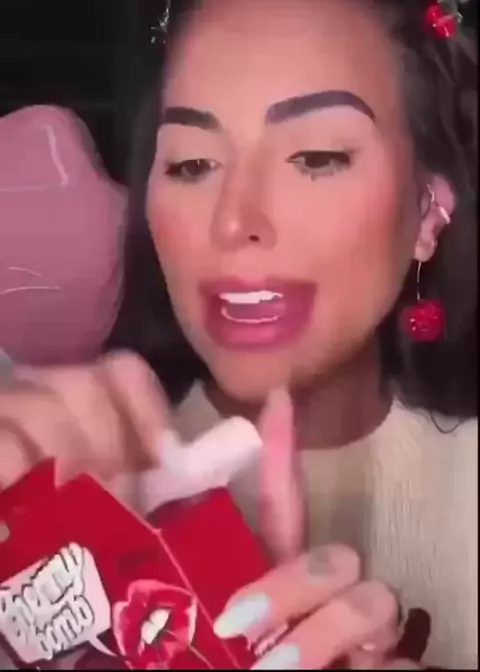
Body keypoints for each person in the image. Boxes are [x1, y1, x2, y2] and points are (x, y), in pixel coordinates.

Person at [0, 0, 477, 668]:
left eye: (316, 157)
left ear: (428, 212)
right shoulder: (61, 492)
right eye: (192, 164)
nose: (233, 221)